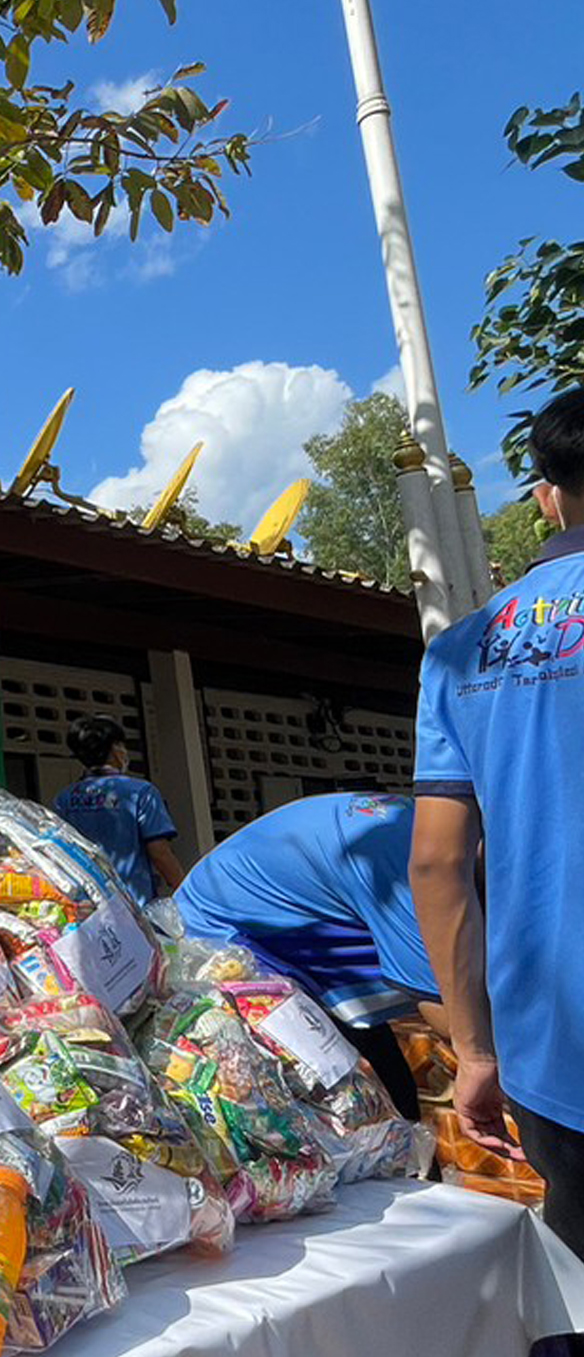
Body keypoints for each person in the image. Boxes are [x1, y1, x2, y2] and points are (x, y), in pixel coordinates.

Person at [412, 385, 584, 1259]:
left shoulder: (459, 652)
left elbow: (439, 865)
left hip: (552, 1048)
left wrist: (475, 1050)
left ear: (547, 493)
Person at [172, 791, 441, 1118]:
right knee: (340, 1090)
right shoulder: (409, 865)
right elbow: (445, 1008)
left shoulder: (424, 825)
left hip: (286, 936)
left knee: (384, 1076)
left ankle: (409, 1154)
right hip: (225, 947)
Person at [52, 714, 185, 911]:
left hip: (85, 909)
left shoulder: (64, 799)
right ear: (115, 749)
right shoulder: (140, 792)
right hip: (132, 908)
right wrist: (185, 892)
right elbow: (160, 853)